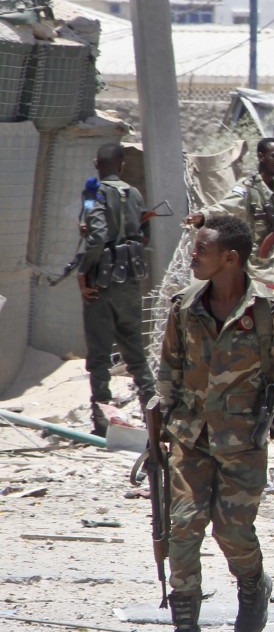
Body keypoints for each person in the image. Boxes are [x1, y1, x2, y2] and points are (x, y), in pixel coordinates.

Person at [156, 215, 274, 632]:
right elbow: (168, 368)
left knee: (232, 531)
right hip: (190, 435)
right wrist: (160, 429)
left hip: (243, 440)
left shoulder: (269, 311)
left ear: (230, 258)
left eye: (200, 249)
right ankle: (185, 631)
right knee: (183, 527)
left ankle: (252, 583)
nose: (191, 255)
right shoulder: (185, 305)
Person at [78, 142, 155, 436]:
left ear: (96, 164)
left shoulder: (93, 192)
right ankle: (153, 417)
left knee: (99, 358)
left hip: (102, 284)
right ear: (121, 166)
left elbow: (95, 236)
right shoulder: (134, 194)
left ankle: (101, 422)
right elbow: (143, 235)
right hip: (131, 282)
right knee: (136, 355)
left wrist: (83, 274)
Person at [184, 137, 274, 296]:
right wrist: (203, 215)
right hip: (257, 264)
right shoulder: (247, 187)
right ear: (261, 157)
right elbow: (227, 206)